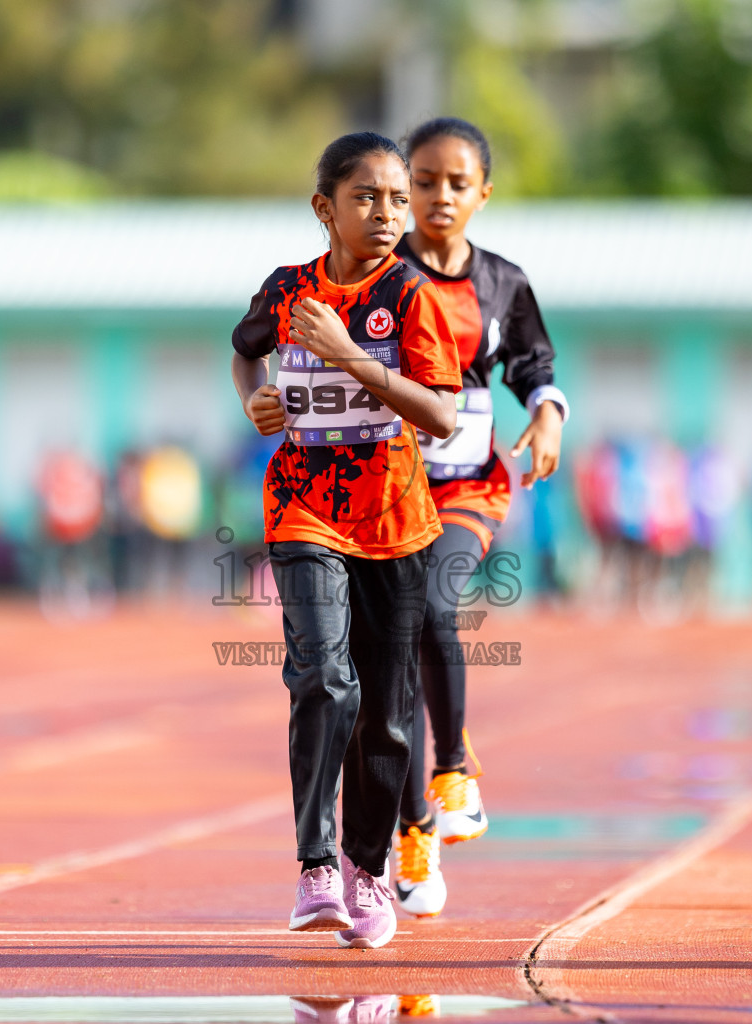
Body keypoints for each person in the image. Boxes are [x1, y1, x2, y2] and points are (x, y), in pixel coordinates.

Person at [230, 131, 461, 949]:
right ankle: (317, 866)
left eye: (400, 199)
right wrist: (257, 400)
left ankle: (370, 870)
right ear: (325, 208)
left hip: (396, 524)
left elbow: (439, 414)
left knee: (389, 719)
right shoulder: (288, 289)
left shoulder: (411, 297)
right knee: (324, 679)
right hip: (303, 510)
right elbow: (244, 349)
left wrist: (353, 358)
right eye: (369, 198)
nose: (390, 213)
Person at [390, 117, 569, 918]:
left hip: (466, 488)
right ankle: (414, 834)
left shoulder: (502, 283)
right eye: (423, 181)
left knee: (434, 606)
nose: (439, 196)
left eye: (457, 183)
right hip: (382, 494)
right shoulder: (370, 276)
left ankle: (453, 765)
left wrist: (548, 411)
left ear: (482, 195)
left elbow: (534, 361)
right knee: (380, 675)